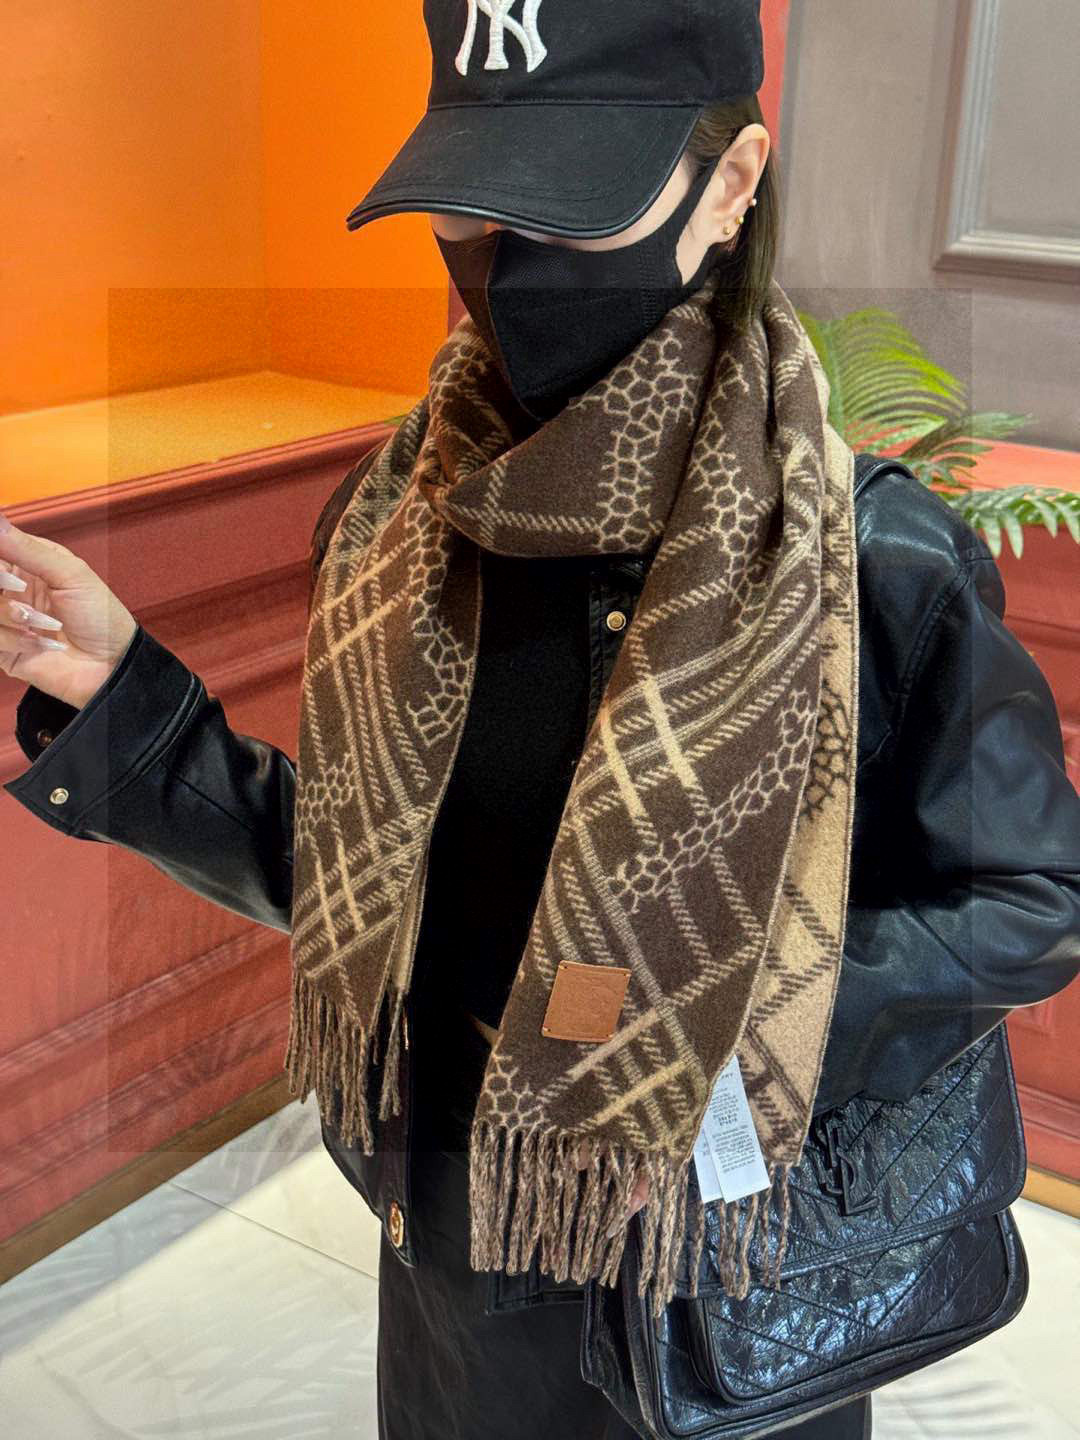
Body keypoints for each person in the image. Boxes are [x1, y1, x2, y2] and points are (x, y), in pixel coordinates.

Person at [3, 5, 1079, 1439]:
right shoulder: (398, 529)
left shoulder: (869, 564)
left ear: (731, 184)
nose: (504, 266)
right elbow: (361, 890)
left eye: (568, 207)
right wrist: (128, 705)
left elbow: (1025, 900)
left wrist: (706, 1034)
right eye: (468, 209)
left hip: (718, 1293)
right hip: (451, 1261)